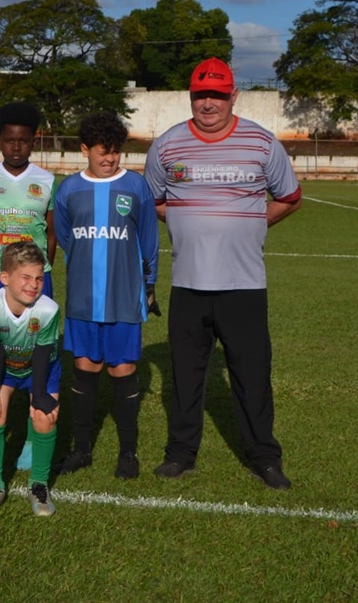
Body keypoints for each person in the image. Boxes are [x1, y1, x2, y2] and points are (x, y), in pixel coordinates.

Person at [143, 57, 301, 490]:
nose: (208, 103)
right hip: (189, 284)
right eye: (200, 95)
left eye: (216, 94)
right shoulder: (167, 146)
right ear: (190, 96)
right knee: (185, 376)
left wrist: (252, 223)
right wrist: (185, 221)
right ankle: (181, 453)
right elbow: (151, 200)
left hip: (244, 285)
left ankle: (265, 457)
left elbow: (289, 197)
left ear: (233, 95)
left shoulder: (262, 143)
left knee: (252, 376)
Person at [52, 112, 160, 480]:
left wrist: (149, 285)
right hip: (83, 298)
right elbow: (66, 237)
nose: (110, 159)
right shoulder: (68, 189)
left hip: (124, 297)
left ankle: (128, 452)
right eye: (103, 151)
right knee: (85, 369)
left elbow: (149, 240)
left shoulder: (136, 186)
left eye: (115, 152)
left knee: (123, 370)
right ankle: (81, 450)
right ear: (85, 149)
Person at [0, 101, 55, 471]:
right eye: (9, 140)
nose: (16, 146)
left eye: (23, 140)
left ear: (33, 140)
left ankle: (33, 437)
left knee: (38, 351)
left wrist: (38, 270)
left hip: (35, 278)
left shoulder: (47, 180)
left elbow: (51, 233)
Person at [0, 242, 62, 517]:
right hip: (5, 368)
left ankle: (39, 484)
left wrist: (40, 396)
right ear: (5, 278)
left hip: (41, 368)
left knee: (44, 416)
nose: (33, 285)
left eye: (39, 278)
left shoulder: (49, 309)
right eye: (26, 277)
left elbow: (42, 356)